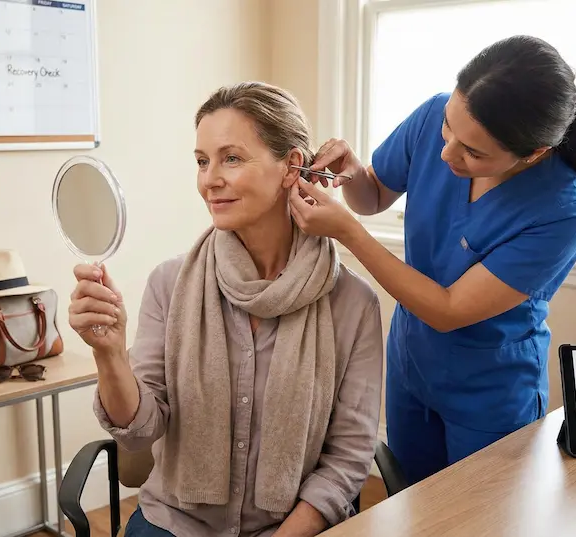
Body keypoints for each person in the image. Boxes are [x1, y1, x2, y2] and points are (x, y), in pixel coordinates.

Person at [68, 81, 384, 537]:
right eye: (201, 161)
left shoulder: (352, 304)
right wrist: (109, 355)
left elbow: (348, 459)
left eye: (231, 158)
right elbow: (138, 435)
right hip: (174, 524)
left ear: (291, 166)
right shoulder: (170, 284)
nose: (209, 179)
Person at [288, 35, 576, 484]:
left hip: (489, 389)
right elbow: (373, 194)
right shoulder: (436, 112)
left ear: (533, 154)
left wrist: (348, 235)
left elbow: (449, 310)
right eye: (448, 129)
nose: (445, 152)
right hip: (412, 363)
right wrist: (352, 171)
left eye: (472, 152)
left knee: (477, 518)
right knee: (411, 500)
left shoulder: (563, 208)